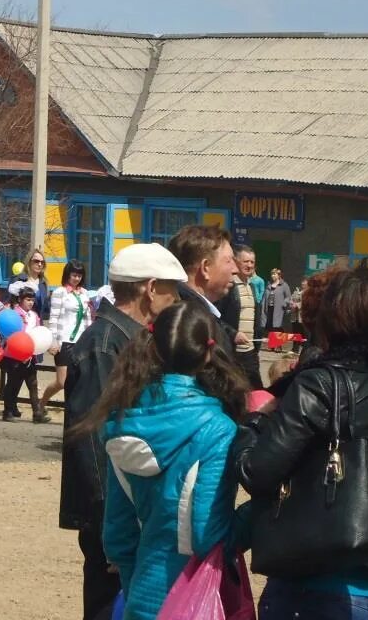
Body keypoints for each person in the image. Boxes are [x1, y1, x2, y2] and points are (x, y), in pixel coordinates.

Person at [234, 262, 368, 620]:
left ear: (333, 321)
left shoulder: (316, 386)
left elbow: (256, 471)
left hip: (311, 590)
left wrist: (257, 417)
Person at [89, 301, 249, 620]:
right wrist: (256, 515)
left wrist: (135, 589)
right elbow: (205, 534)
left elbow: (117, 536)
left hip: (142, 595)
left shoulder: (122, 424)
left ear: (154, 350)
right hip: (195, 598)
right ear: (208, 352)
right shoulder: (217, 429)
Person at [60, 242, 186, 620]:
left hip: (132, 515)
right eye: (172, 290)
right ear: (150, 289)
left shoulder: (134, 340)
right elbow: (95, 441)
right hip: (113, 521)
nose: (176, 299)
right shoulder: (104, 344)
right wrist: (110, 530)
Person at [168, 224, 241, 354]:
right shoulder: (189, 323)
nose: (236, 270)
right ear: (205, 268)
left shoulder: (180, 309)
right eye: (229, 261)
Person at [40, 259, 92, 414]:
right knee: (62, 381)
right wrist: (54, 340)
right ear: (67, 275)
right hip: (64, 341)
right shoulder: (59, 292)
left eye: (79, 276)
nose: (76, 278)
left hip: (80, 342)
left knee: (78, 380)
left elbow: (87, 318)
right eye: (74, 275)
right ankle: (41, 403)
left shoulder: (84, 293)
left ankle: (73, 413)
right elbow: (54, 318)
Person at [1, 285, 52, 423]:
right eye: (27, 299)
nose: (30, 302)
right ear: (20, 300)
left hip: (30, 355)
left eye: (32, 300)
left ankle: (37, 413)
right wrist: (21, 350)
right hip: (14, 355)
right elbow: (12, 334)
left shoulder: (34, 316)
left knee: (33, 383)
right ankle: (7, 411)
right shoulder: (14, 314)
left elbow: (37, 334)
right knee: (13, 384)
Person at [215, 244, 263, 389]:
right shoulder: (227, 287)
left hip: (250, 352)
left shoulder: (252, 287)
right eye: (245, 261)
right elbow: (215, 318)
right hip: (232, 353)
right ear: (236, 262)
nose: (249, 265)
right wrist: (233, 334)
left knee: (256, 390)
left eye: (252, 262)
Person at [9, 247, 51, 321]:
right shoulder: (17, 279)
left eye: (42, 262)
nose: (40, 264)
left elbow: (45, 309)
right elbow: (8, 303)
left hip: (36, 325)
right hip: (18, 323)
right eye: (36, 261)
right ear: (29, 262)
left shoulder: (43, 284)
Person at [262, 268, 291, 351]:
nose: (273, 276)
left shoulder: (284, 285)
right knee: (270, 327)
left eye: (275, 274)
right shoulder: (268, 285)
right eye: (272, 274)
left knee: (277, 327)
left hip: (279, 310)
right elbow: (265, 297)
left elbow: (288, 297)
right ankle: (272, 345)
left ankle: (278, 345)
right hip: (269, 309)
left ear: (279, 275)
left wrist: (284, 303)